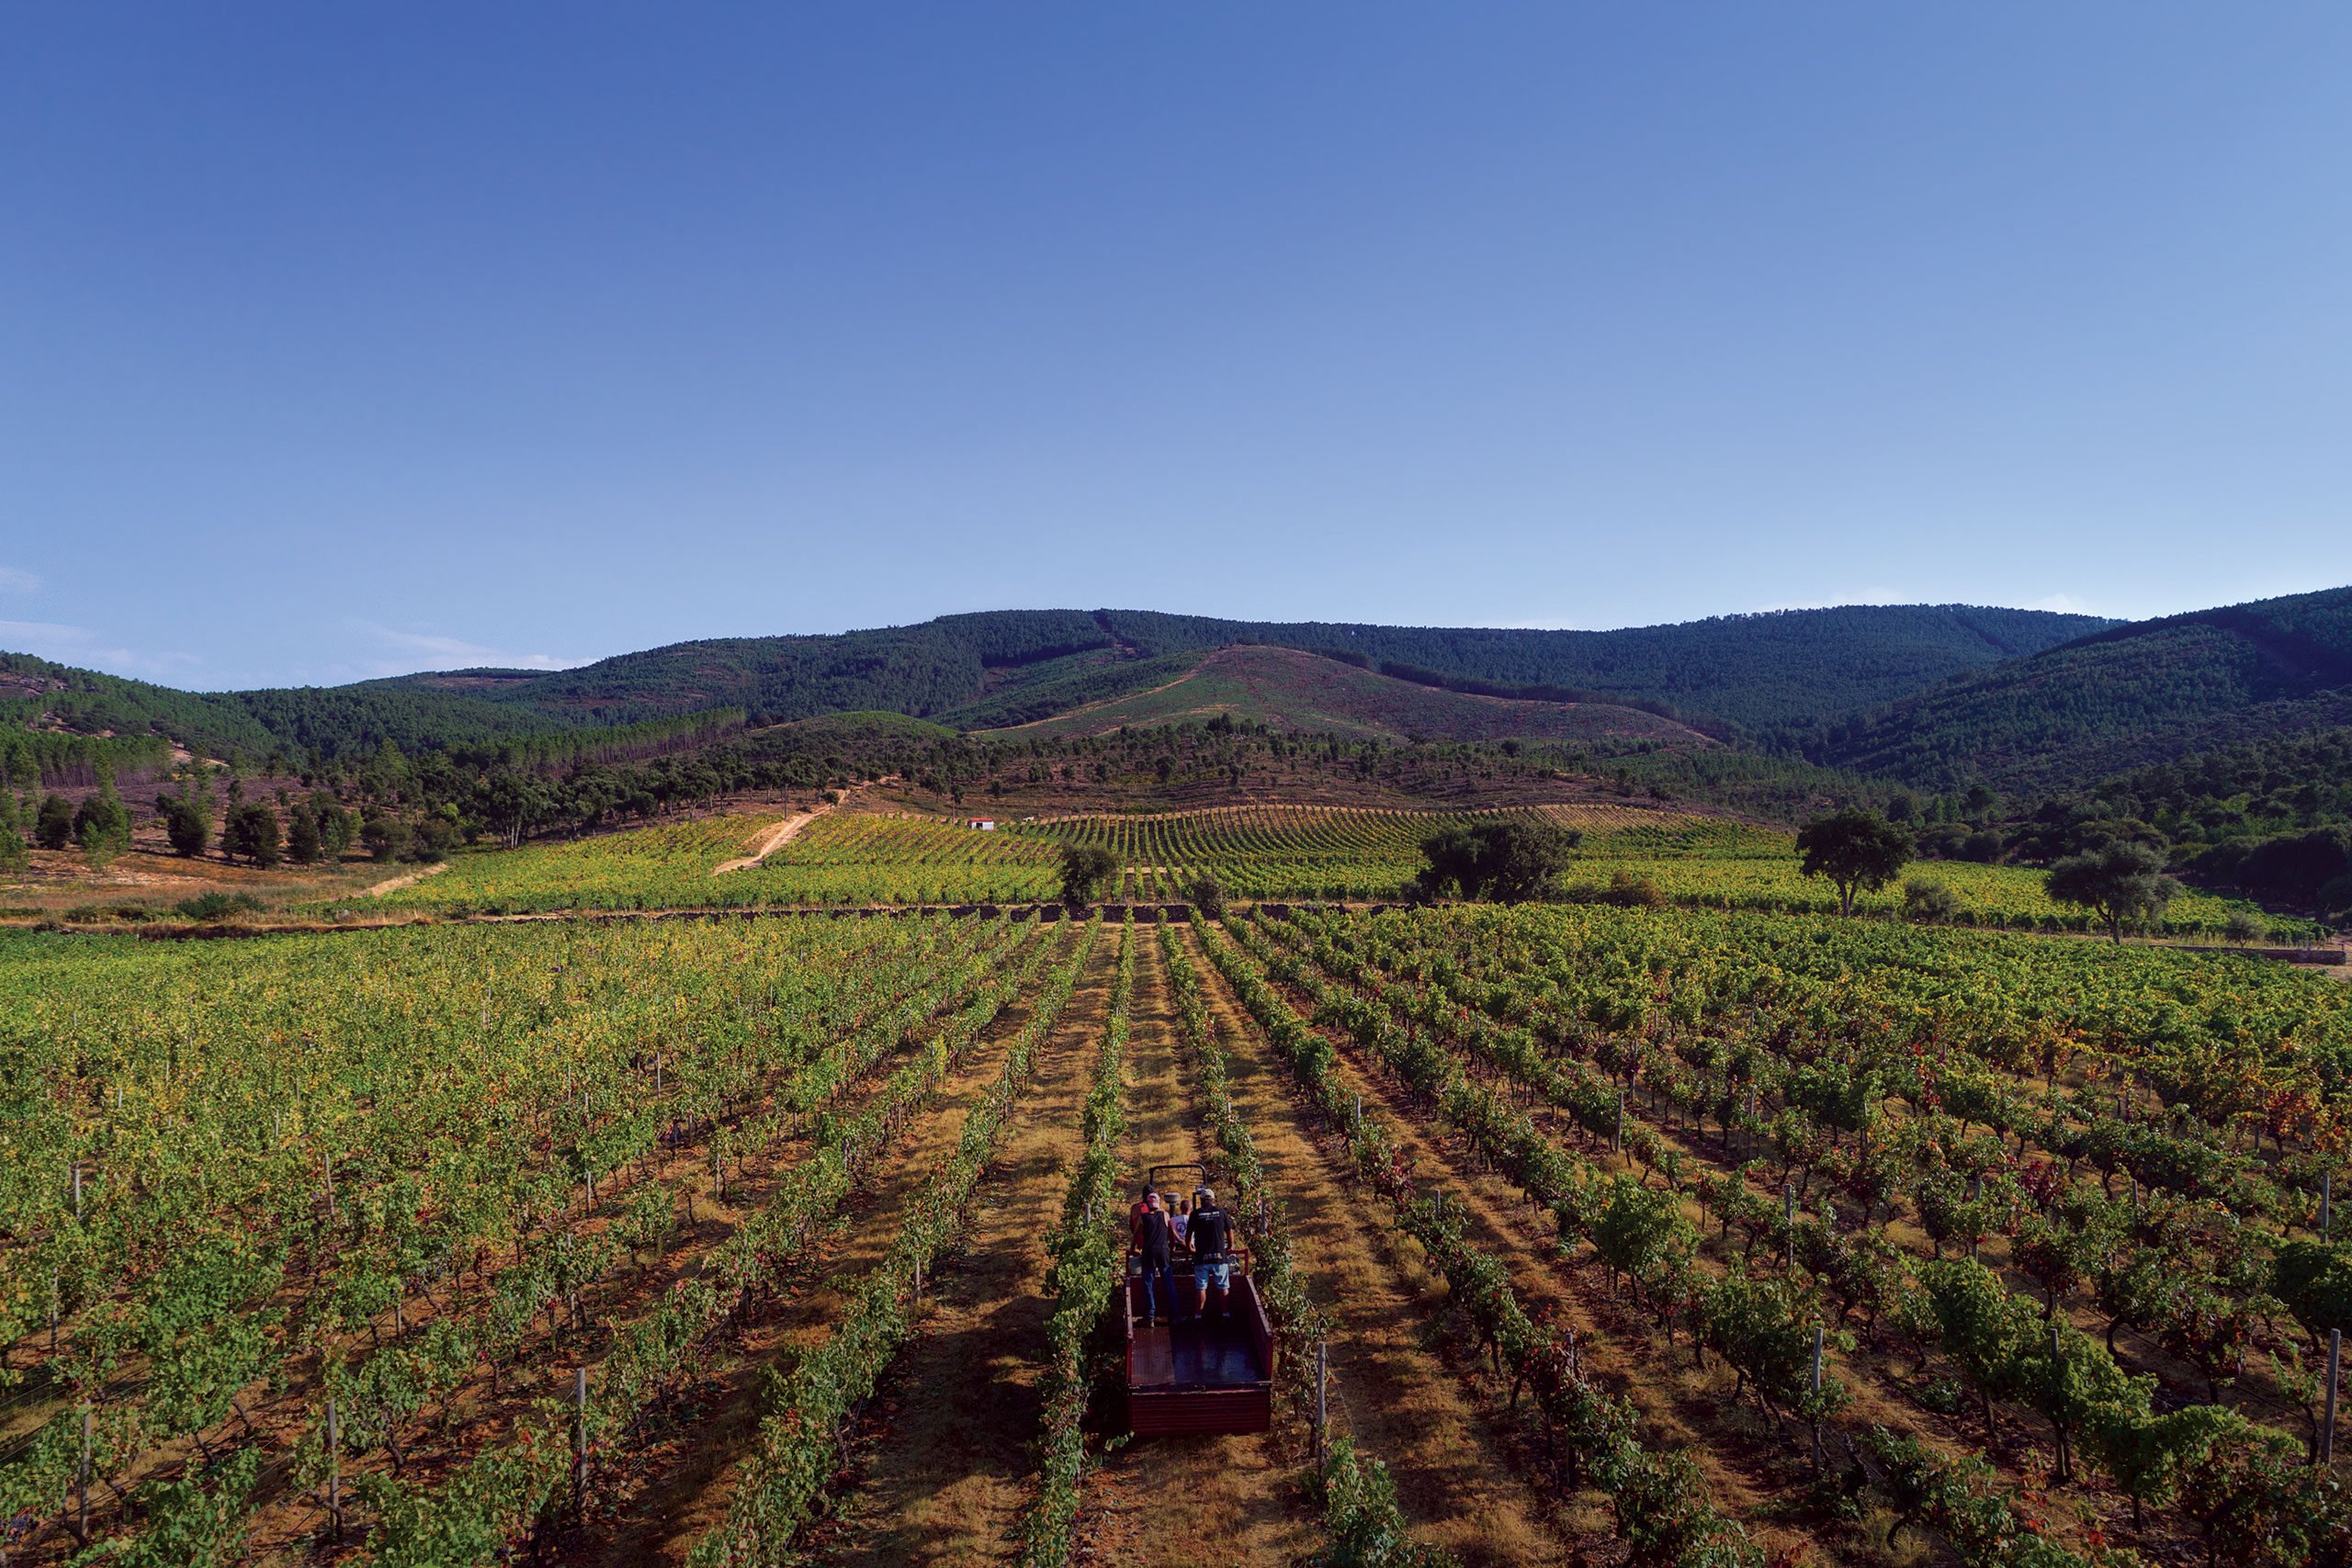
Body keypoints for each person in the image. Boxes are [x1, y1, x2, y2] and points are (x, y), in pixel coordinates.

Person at [1188, 1186, 1235, 1322]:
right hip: (1219, 1257)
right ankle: (1225, 1314)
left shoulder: (1195, 1214)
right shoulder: (1221, 1212)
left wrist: (1189, 1247)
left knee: (1201, 1287)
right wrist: (1230, 1246)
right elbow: (1229, 1231)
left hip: (1201, 1258)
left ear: (1201, 1200)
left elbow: (1188, 1234)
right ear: (1213, 1200)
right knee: (1223, 1286)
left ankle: (1198, 1315)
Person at [1134, 1190, 1179, 1328]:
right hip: (1163, 1252)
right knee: (1168, 1283)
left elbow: (1135, 1234)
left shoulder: (1143, 1217)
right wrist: (1172, 1247)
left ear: (1148, 1204)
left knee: (1149, 1284)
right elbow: (1172, 1233)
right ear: (1158, 1203)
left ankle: (1150, 1316)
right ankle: (1175, 1315)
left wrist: (1133, 1248)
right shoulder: (1165, 1215)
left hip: (1148, 1252)